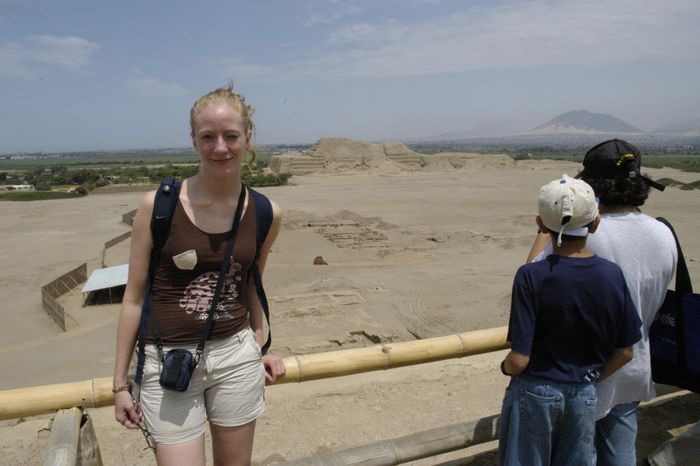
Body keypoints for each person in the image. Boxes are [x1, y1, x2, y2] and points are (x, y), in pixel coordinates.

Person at [112, 84, 286, 466]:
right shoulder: (159, 206)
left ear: (248, 137)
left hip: (235, 358)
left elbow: (251, 288)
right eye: (208, 137)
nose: (220, 147)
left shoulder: (264, 212)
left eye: (230, 136)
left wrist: (261, 348)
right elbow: (134, 297)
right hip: (166, 362)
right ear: (193, 140)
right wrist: (120, 385)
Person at [526, 139, 677, 466]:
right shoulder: (663, 233)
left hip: (582, 375)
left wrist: (550, 225)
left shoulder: (583, 238)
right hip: (632, 367)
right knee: (620, 454)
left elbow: (531, 280)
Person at [499, 175, 642, 466]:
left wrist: (505, 367)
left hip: (536, 391)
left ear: (540, 224)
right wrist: (588, 380)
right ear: (595, 222)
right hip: (584, 394)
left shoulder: (530, 276)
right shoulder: (611, 274)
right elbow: (626, 351)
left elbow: (519, 359)